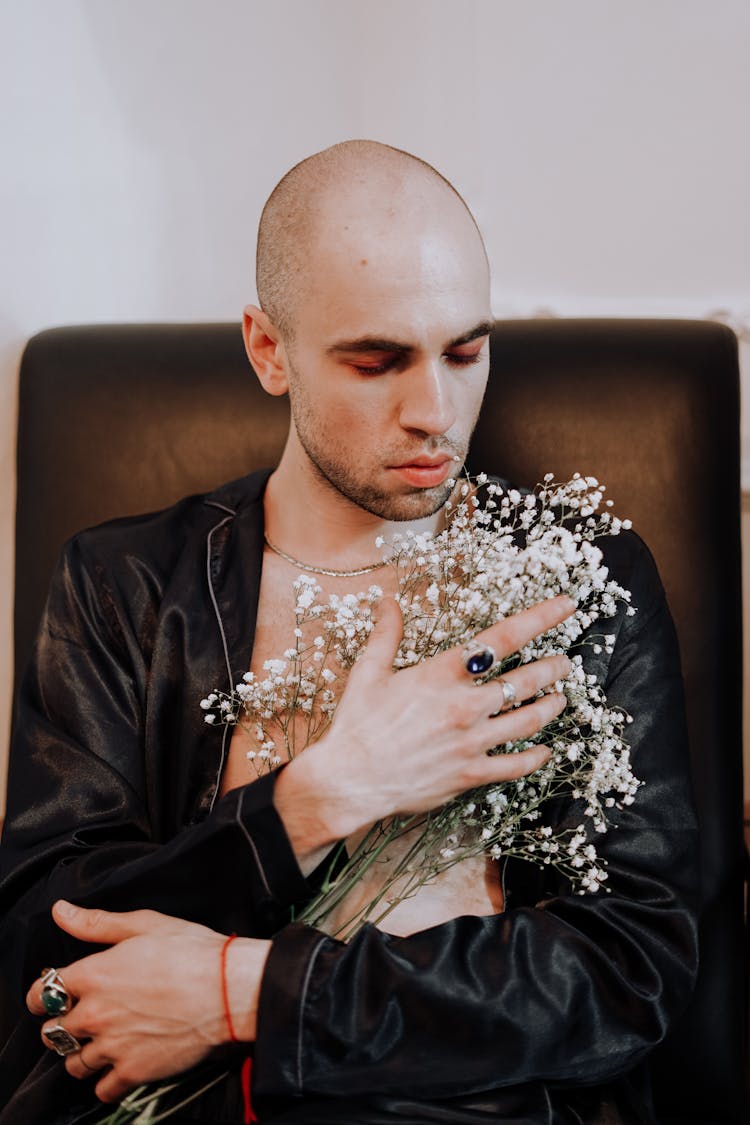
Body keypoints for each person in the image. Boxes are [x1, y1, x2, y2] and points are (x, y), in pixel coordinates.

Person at [0, 141, 698, 1125]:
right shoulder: (126, 589)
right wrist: (321, 799)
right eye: (377, 361)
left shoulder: (579, 589)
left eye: (467, 351)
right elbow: (46, 952)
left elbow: (631, 969)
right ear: (267, 350)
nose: (435, 413)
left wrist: (248, 991)